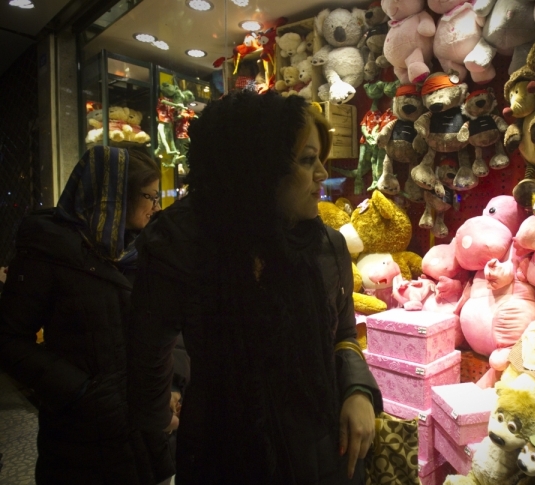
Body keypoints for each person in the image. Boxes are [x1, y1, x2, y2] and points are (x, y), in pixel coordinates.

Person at [127, 90, 382, 484]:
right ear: (259, 167)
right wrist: (159, 424)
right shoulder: (183, 246)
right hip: (223, 453)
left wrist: (358, 391)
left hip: (322, 451)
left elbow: (343, 334)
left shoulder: (324, 246)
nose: (321, 175)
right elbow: (148, 352)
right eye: (307, 160)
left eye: (321, 160)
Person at [0, 146, 172, 484]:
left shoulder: (141, 250)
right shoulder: (49, 250)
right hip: (80, 437)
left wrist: (172, 387)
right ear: (114, 196)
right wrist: (80, 391)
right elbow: (8, 339)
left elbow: (165, 325)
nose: (156, 206)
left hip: (143, 432)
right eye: (149, 196)